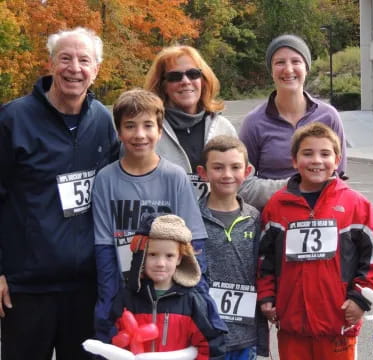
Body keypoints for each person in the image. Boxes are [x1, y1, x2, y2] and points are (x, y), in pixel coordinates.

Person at [0, 27, 119, 359]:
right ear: (51, 64)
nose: (74, 68)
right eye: (65, 58)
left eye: (84, 60)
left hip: (86, 287)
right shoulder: (13, 119)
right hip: (26, 287)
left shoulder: (101, 120)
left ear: (96, 69)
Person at [257, 122, 373, 360]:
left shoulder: (356, 205)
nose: (316, 160)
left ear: (337, 160)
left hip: (338, 323)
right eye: (307, 153)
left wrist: (360, 298)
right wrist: (267, 295)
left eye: (325, 154)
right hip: (292, 324)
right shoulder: (277, 206)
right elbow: (264, 257)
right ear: (294, 160)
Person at [93, 89, 213, 342]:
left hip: (167, 290)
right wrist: (109, 302)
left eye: (148, 125)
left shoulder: (175, 176)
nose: (139, 134)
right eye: (130, 126)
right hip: (125, 291)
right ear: (119, 132)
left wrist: (196, 297)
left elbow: (194, 243)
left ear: (160, 131)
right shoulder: (105, 179)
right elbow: (104, 246)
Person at [239, 34, 347, 207]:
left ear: (307, 68)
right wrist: (297, 186)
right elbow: (244, 186)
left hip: (322, 217)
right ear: (271, 70)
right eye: (280, 62)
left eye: (296, 61)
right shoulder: (254, 123)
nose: (288, 69)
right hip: (275, 218)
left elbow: (339, 176)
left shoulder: (329, 116)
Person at [110, 214, 225, 358]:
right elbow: (108, 336)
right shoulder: (127, 298)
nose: (160, 263)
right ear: (142, 257)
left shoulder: (192, 301)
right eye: (152, 254)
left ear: (180, 258)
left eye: (169, 256)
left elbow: (210, 345)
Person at [196, 135, 268, 359]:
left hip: (246, 335)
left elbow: (265, 270)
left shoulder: (256, 219)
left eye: (235, 167)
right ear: (203, 173)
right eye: (218, 168)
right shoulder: (192, 217)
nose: (227, 175)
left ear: (246, 172)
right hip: (204, 332)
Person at [144, 45, 237, 201]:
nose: (185, 81)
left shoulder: (224, 128)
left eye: (193, 74)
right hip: (166, 222)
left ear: (203, 80)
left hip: (216, 223)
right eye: (175, 77)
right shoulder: (146, 132)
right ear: (163, 85)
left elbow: (243, 183)